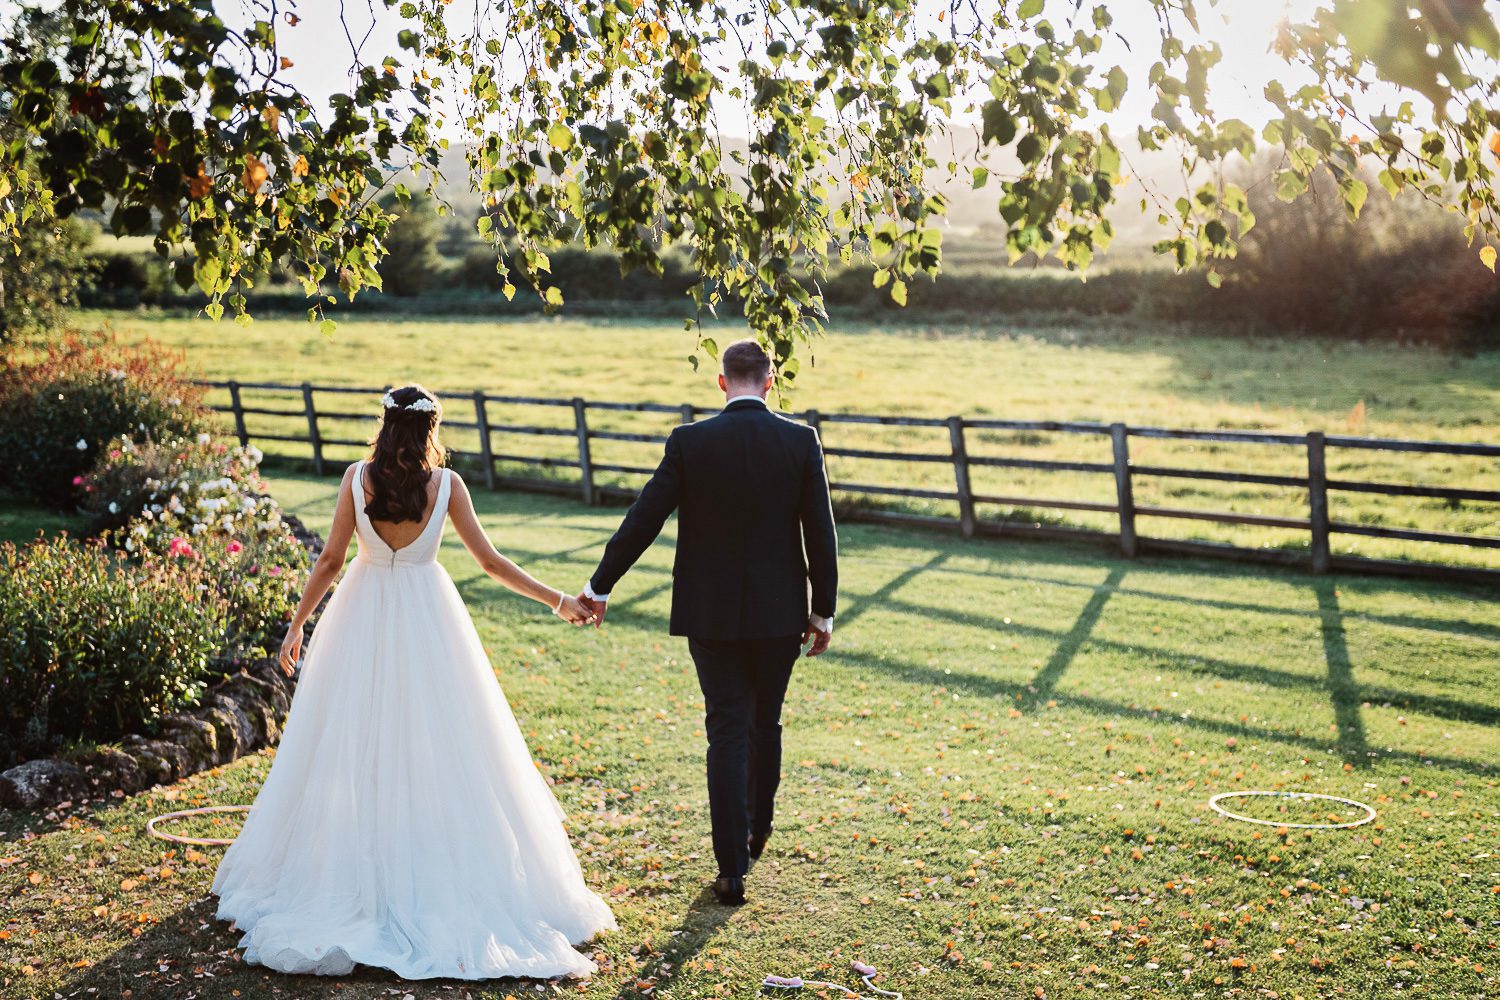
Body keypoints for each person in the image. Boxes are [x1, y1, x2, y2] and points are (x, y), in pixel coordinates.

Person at [212, 384, 615, 980]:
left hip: (362, 610)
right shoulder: (447, 486)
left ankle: (357, 865)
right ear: (431, 429)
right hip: (430, 615)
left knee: (350, 738)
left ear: (385, 423)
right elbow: (490, 560)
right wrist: (556, 599)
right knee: (444, 740)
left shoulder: (356, 477)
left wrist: (297, 626)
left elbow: (329, 560)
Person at [577, 339, 839, 906]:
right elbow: (821, 530)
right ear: (770, 382)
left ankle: (731, 867)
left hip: (710, 613)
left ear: (722, 383)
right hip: (778, 614)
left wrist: (600, 584)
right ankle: (757, 827)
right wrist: (823, 610)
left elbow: (644, 515)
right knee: (763, 723)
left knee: (726, 728)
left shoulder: (691, 442)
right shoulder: (800, 441)